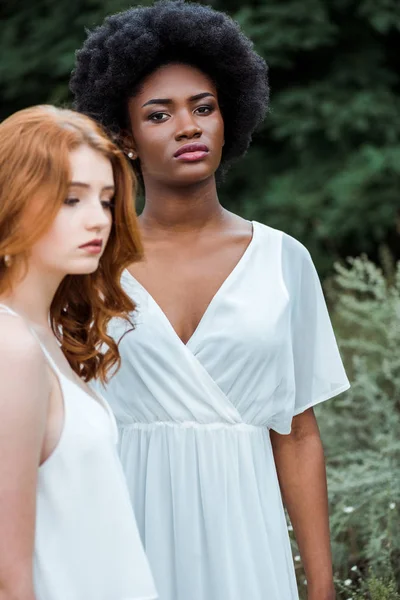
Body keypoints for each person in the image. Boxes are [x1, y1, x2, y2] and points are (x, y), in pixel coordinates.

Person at [71, 2, 350, 599]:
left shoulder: (283, 261)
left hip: (248, 538)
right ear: (123, 135)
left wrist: (321, 587)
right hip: (120, 536)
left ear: (229, 118)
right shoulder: (88, 264)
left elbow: (297, 434)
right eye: (159, 114)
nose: (188, 126)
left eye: (204, 107)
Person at [0, 105, 157, 600]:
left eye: (106, 200)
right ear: (11, 200)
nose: (98, 220)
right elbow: (7, 572)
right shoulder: (11, 349)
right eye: (71, 199)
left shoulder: (46, 334)